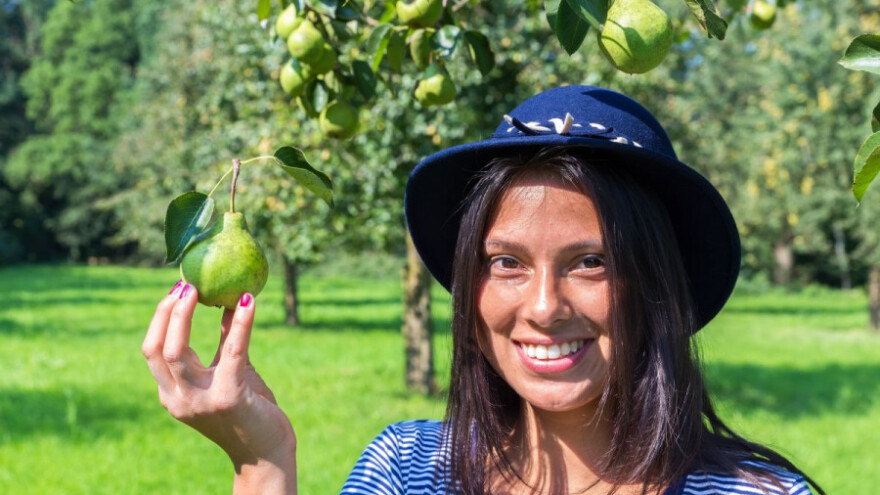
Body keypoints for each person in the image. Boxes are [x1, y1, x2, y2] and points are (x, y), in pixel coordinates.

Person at [143, 86, 823, 495]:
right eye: (505, 262)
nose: (543, 306)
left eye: (590, 261)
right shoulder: (407, 472)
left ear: (657, 288)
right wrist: (261, 462)